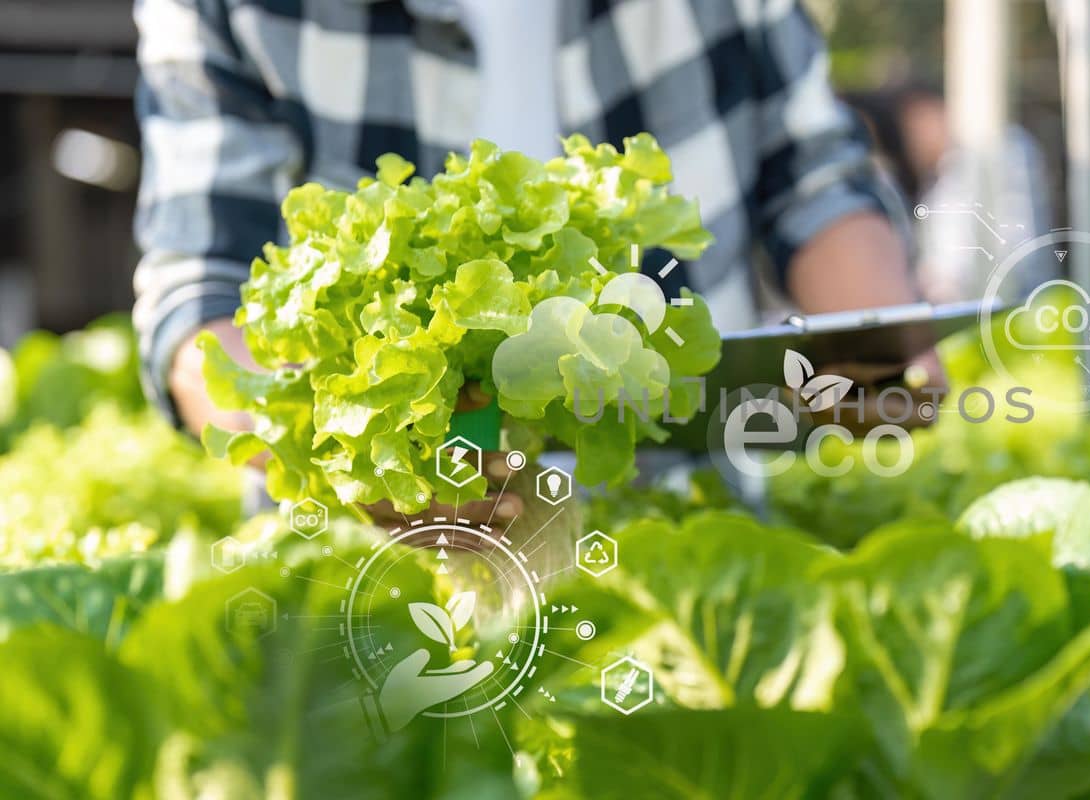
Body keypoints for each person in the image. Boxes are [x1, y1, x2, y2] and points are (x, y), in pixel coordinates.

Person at [132, 0, 941, 523]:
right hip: (375, 559)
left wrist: (877, 348)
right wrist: (344, 457)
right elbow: (202, 282)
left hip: (681, 529)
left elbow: (813, 176)